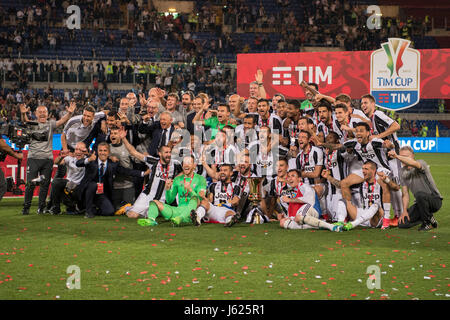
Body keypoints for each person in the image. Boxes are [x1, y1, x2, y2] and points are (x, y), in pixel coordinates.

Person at [20, 101, 76, 215]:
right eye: (40, 112)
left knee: (45, 185)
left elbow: (62, 121)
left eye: (44, 112)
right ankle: (26, 207)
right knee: (30, 184)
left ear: (48, 114)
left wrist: (70, 113)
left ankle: (41, 208)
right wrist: (23, 114)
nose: (42, 114)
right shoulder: (32, 123)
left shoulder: (50, 124)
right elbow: (24, 121)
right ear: (35, 114)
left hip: (47, 160)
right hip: (33, 158)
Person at [75, 142, 148, 218]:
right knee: (93, 185)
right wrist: (89, 159)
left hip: (101, 194)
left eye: (105, 150)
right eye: (100, 150)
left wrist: (143, 173)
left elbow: (126, 171)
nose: (102, 153)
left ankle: (92, 209)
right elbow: (78, 163)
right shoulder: (92, 161)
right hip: (87, 192)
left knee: (109, 211)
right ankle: (88, 212)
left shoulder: (112, 164)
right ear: (97, 151)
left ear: (108, 153)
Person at [140, 155, 207, 227]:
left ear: (194, 165)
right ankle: (151, 220)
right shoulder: (177, 179)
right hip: (177, 211)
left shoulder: (201, 179)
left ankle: (181, 218)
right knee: (154, 202)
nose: (186, 165)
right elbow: (169, 201)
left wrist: (190, 190)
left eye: (189, 163)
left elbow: (200, 199)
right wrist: (168, 189)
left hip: (191, 214)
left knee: (195, 198)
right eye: (184, 163)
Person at [389, 146, 442, 231]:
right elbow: (405, 194)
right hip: (420, 203)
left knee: (419, 194)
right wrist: (404, 211)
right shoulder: (402, 171)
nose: (403, 159)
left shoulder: (420, 163)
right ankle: (429, 217)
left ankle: (427, 223)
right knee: (402, 224)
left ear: (413, 156)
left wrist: (397, 156)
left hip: (434, 200)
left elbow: (413, 163)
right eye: (402, 156)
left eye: (406, 156)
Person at [335, 161, 394, 231]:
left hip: (376, 217)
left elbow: (393, 188)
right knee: (343, 201)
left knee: (375, 205)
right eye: (362, 169)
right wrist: (328, 177)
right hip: (364, 214)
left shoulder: (380, 183)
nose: (363, 171)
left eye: (366, 169)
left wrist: (387, 180)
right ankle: (340, 222)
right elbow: (340, 184)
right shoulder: (361, 182)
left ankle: (352, 224)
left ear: (373, 170)